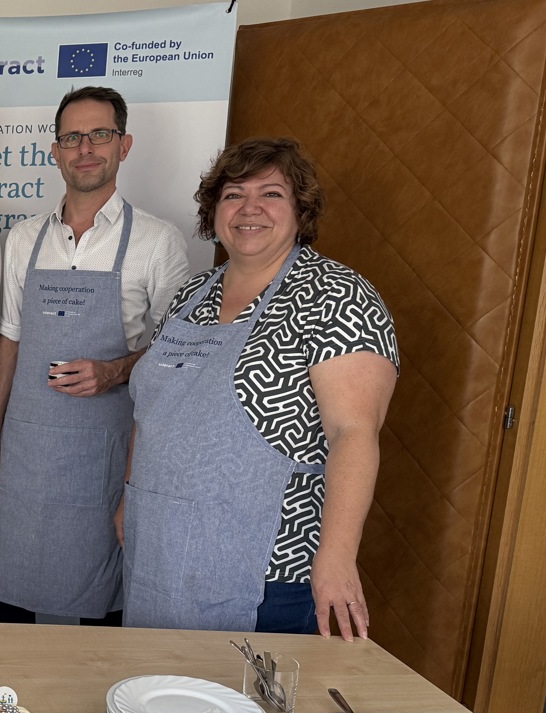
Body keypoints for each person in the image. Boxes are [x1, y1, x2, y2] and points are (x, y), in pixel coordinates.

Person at [120, 137, 398, 639]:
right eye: (233, 194)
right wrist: (128, 499)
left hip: (266, 572)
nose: (249, 209)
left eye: (271, 194)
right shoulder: (192, 295)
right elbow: (151, 410)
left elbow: (354, 433)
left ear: (300, 210)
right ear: (214, 210)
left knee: (250, 712)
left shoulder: (336, 296)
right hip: (160, 554)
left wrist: (335, 559)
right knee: (157, 705)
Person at [0, 86, 189, 626]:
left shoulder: (158, 243)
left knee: (101, 620)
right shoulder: (23, 239)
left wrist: (116, 370)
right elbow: (9, 341)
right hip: (26, 457)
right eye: (73, 137)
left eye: (100, 134)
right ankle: (8, 712)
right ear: (55, 150)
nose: (86, 147)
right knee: (12, 615)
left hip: (107, 460)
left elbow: (174, 354)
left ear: (124, 144)